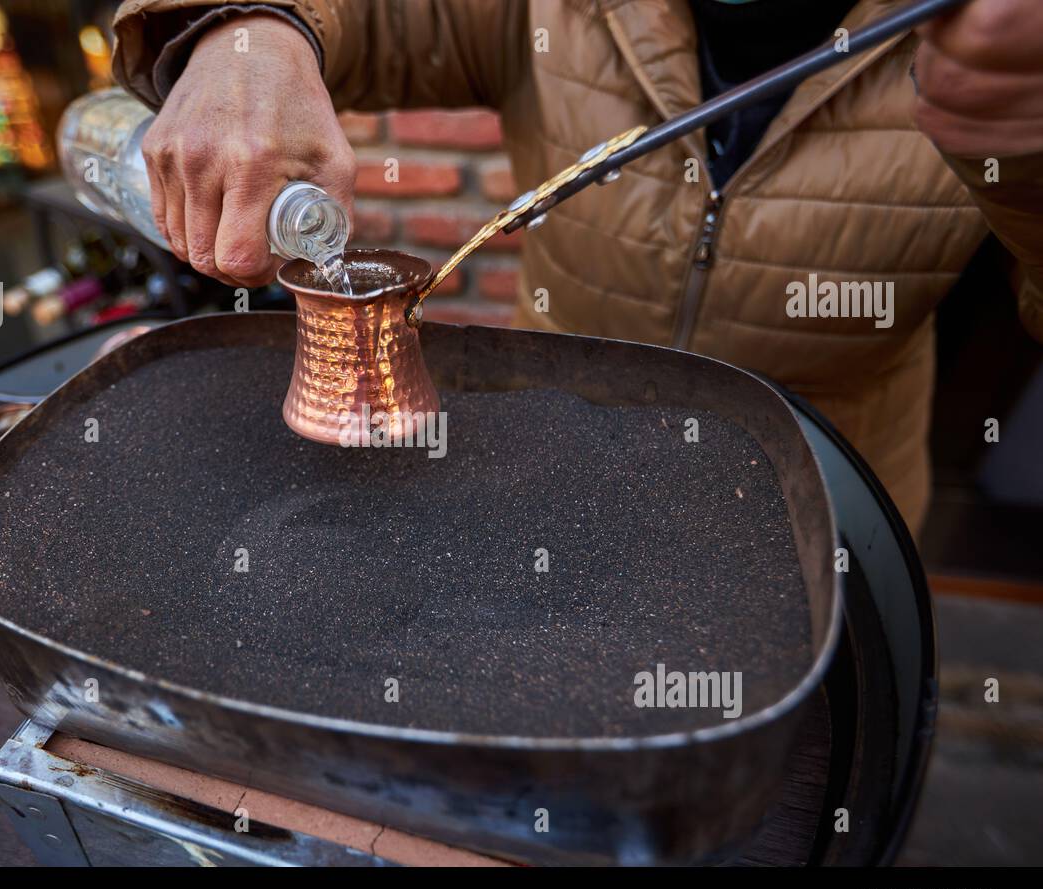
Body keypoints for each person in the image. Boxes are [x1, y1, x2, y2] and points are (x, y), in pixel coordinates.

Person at [111, 0, 1043, 531]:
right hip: (550, 483)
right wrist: (250, 30)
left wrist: (1026, 161)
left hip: (817, 517)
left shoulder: (997, 38)